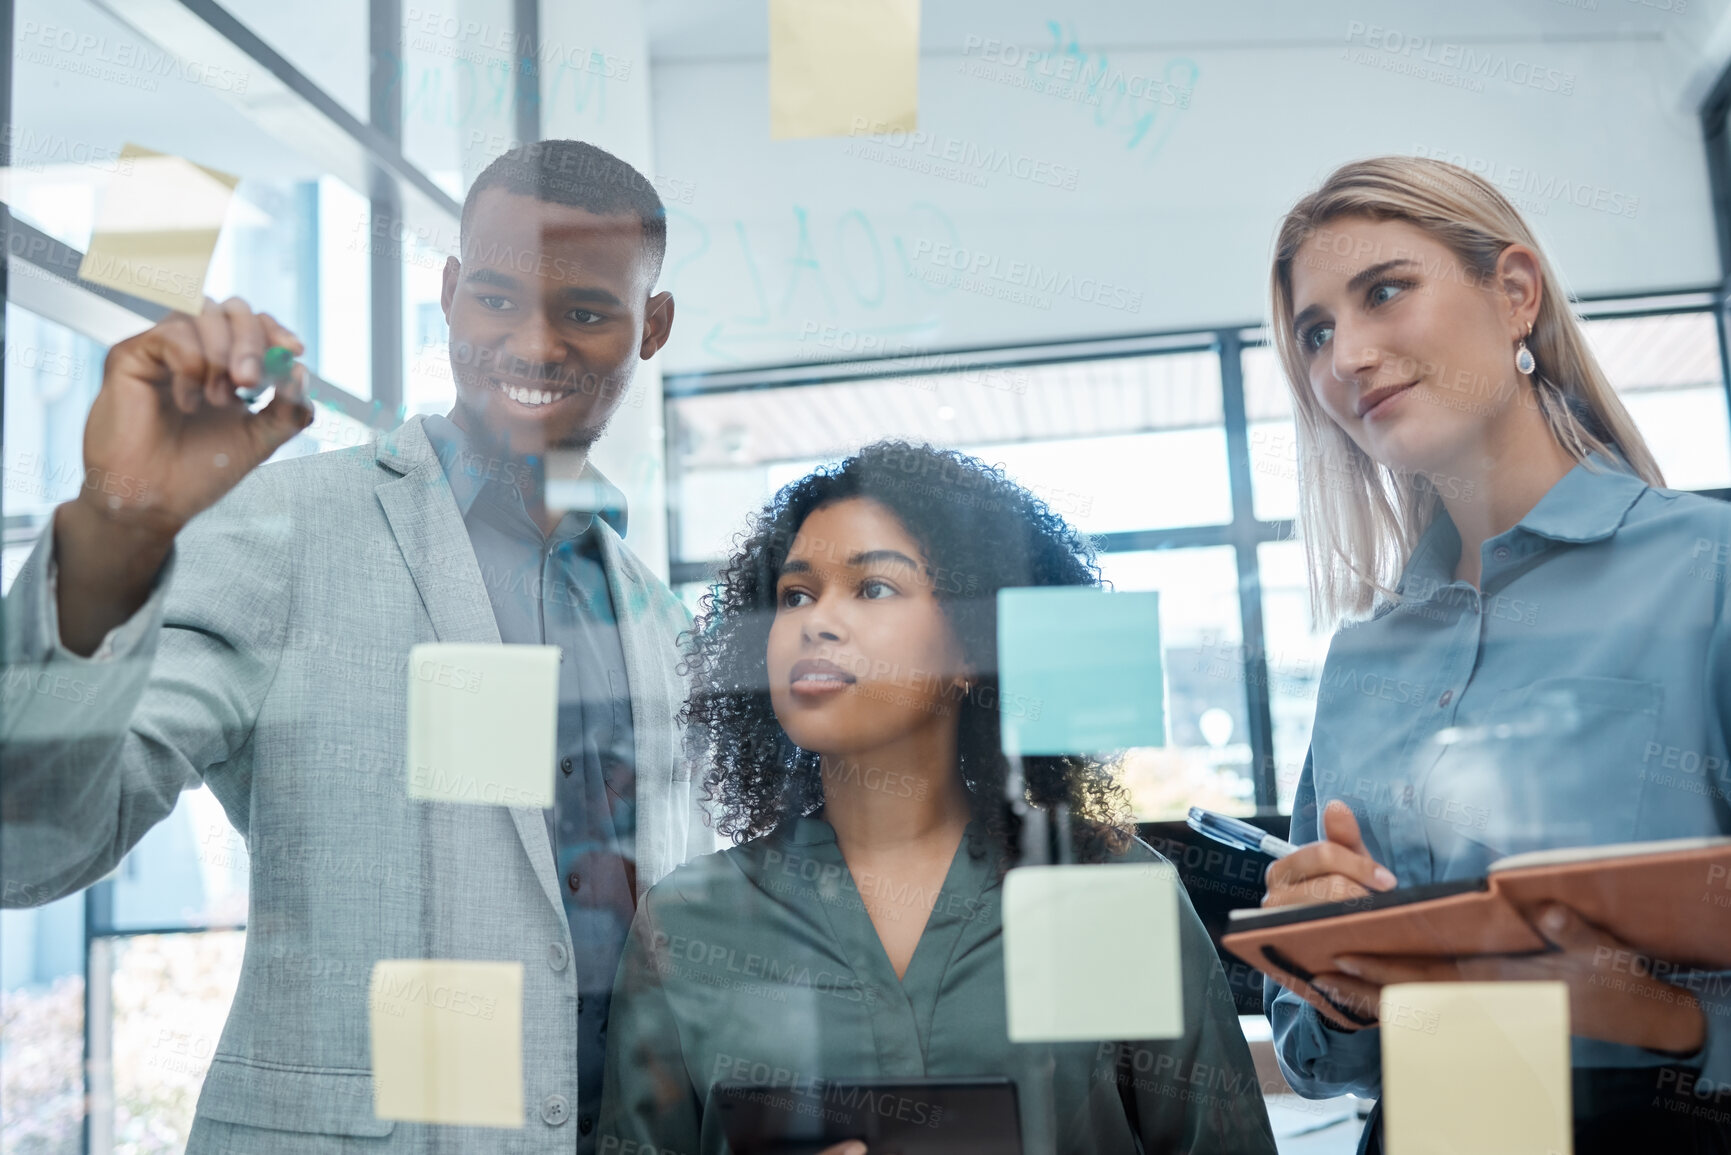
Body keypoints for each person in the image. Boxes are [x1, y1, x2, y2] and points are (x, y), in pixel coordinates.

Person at [0, 140, 713, 1153]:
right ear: (451, 292)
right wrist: (114, 532)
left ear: (654, 327)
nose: (533, 344)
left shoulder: (661, 626)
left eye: (588, 313)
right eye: (497, 299)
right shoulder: (286, 530)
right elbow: (23, 849)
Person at [597, 441, 1278, 1155]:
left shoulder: (1107, 893)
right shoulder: (688, 923)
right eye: (795, 593)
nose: (815, 620)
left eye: (873, 588)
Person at [1259, 156, 1731, 1154]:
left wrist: (1664, 1018)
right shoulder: (1363, 656)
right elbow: (1317, 1049)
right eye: (1316, 332)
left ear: (1515, 294)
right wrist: (1322, 966)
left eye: (1385, 291)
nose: (1347, 354)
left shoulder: (1710, 574)